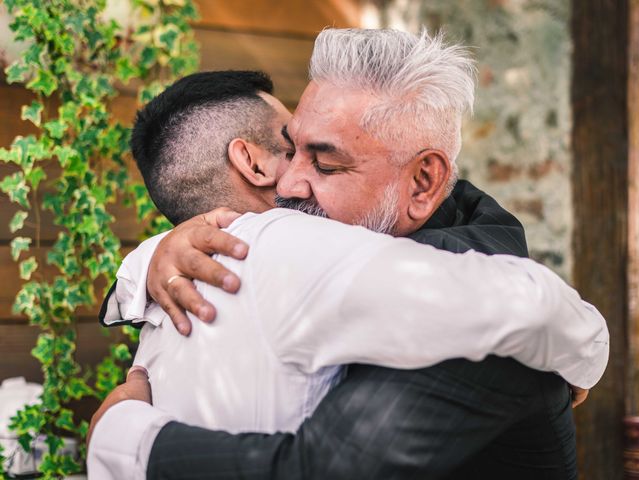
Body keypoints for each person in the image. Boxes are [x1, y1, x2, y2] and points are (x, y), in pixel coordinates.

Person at [91, 29, 608, 479]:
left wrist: (120, 434)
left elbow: (317, 469)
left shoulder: (474, 328)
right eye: (292, 148)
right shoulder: (227, 263)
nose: (289, 182)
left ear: (424, 183)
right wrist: (158, 252)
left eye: (325, 164)